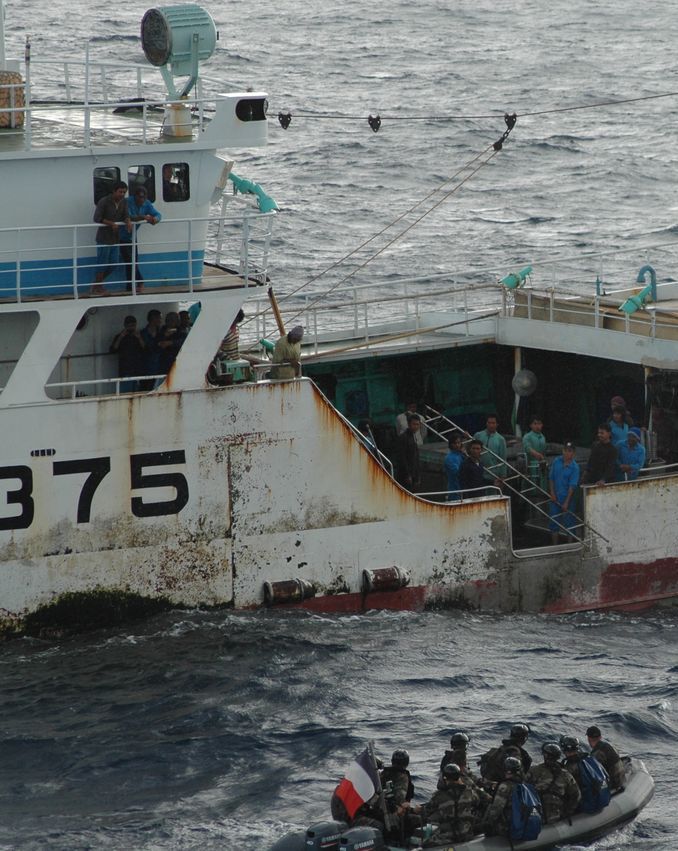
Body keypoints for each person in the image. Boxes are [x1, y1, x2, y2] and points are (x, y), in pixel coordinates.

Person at [406, 762, 489, 845]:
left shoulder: (439, 795)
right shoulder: (469, 792)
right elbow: (477, 801)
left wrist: (416, 809)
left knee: (423, 842)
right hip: (466, 832)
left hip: (449, 835)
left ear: (445, 778)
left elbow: (426, 811)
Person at [91, 180, 131, 294]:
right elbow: (97, 218)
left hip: (115, 238)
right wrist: (111, 223)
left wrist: (128, 221)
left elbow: (126, 215)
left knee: (114, 263)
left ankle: (96, 284)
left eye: (124, 192)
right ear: (114, 191)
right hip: (104, 237)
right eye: (120, 192)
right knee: (102, 263)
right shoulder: (104, 201)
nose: (122, 194)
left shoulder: (123, 202)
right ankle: (98, 286)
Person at [119, 185, 161, 291]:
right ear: (135, 196)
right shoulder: (127, 202)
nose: (141, 200)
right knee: (129, 261)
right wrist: (143, 217)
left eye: (143, 197)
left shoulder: (146, 203)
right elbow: (127, 216)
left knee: (133, 261)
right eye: (139, 197)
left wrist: (155, 219)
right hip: (121, 235)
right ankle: (140, 281)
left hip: (132, 236)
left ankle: (130, 286)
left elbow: (157, 214)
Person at [527, 742, 581, 823]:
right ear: (558, 756)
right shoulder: (566, 775)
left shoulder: (533, 771)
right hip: (556, 815)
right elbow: (577, 795)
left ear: (545, 755)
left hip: (536, 815)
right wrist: (568, 811)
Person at [481, 756, 524, 837]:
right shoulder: (521, 783)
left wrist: (488, 824)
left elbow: (497, 808)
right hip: (518, 820)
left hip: (507, 825)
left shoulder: (505, 786)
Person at [548, 442, 580, 544]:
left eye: (569, 451)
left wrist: (566, 502)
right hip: (555, 497)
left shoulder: (575, 467)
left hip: (568, 498)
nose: (566, 453)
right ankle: (555, 545)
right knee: (554, 521)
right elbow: (551, 478)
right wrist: (552, 493)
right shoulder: (556, 461)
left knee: (569, 523)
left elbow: (572, 486)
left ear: (573, 453)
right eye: (565, 450)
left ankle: (570, 545)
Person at [109, 315, 145, 392]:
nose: (131, 328)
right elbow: (112, 350)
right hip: (125, 370)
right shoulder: (119, 336)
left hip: (138, 369)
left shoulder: (139, 335)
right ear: (125, 326)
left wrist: (139, 338)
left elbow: (146, 350)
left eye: (133, 325)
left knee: (138, 392)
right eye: (129, 326)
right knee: (125, 392)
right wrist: (121, 337)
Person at [586, 726, 625, 791]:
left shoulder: (596, 754)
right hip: (621, 777)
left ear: (589, 739)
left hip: (614, 783)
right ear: (600, 737)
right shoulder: (607, 745)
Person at [474, 415, 507, 483]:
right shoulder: (478, 435)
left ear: (497, 424)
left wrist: (503, 476)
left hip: (493, 474)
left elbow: (503, 458)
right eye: (489, 423)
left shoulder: (500, 439)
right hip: (478, 471)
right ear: (486, 423)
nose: (491, 425)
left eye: (493, 423)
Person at [395, 415, 421, 492]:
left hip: (414, 472)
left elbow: (416, 457)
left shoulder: (413, 437)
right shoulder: (403, 438)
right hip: (405, 473)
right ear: (409, 424)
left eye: (417, 424)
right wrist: (407, 474)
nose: (416, 426)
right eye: (414, 424)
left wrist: (417, 475)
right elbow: (402, 458)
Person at [140, 308, 163, 389]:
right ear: (153, 319)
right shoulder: (142, 334)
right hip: (145, 368)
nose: (161, 320)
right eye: (159, 318)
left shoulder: (161, 333)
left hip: (159, 367)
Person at [522, 416, 547, 489]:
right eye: (535, 424)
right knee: (533, 487)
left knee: (543, 487)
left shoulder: (543, 437)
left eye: (539, 424)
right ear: (531, 425)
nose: (537, 426)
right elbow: (528, 448)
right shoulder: (527, 436)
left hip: (542, 465)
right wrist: (538, 455)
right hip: (531, 465)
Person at [443, 433, 464, 501]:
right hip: (454, 489)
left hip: (463, 488)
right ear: (451, 444)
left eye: (459, 442)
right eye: (455, 443)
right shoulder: (449, 458)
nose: (457, 445)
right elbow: (457, 472)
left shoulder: (462, 455)